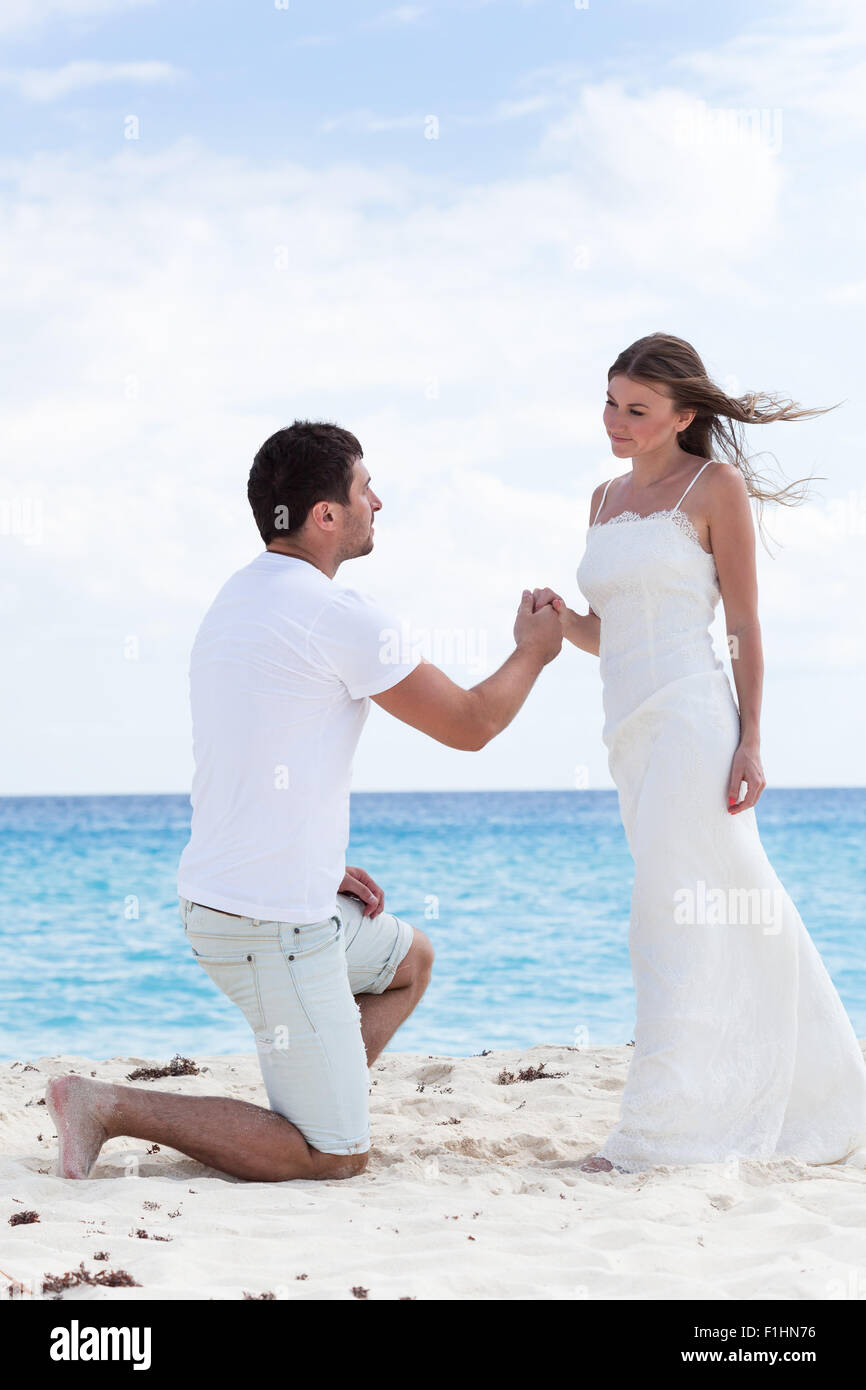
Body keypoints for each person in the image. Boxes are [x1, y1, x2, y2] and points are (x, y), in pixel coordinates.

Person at [47, 421, 562, 1182]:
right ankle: (108, 1105)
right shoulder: (338, 615)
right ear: (326, 514)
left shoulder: (238, 598)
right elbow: (472, 725)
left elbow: (260, 750)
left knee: (408, 959)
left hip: (244, 901)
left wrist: (318, 861)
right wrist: (533, 651)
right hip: (271, 925)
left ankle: (322, 1084)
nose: (377, 502)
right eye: (363, 489)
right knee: (334, 1157)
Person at [533, 331, 866, 1173]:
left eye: (636, 409)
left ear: (683, 415)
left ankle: (661, 1128)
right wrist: (556, 623)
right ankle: (822, 1094)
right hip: (627, 731)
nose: (615, 420)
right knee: (727, 900)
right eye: (610, 402)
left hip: (692, 718)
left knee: (668, 912)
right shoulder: (603, 500)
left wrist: (752, 736)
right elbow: (610, 633)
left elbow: (745, 626)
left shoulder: (715, 488)